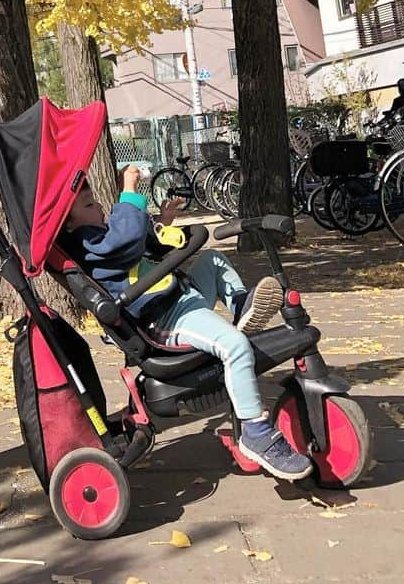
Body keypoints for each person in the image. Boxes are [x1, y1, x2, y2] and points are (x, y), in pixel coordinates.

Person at [61, 166, 313, 482]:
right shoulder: (89, 244)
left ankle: (240, 305)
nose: (98, 206)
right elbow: (125, 240)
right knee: (235, 346)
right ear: (69, 225)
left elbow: (142, 244)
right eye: (88, 206)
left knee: (212, 261)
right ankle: (256, 433)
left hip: (180, 298)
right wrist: (129, 191)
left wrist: (163, 222)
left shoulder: (99, 237)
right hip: (165, 319)